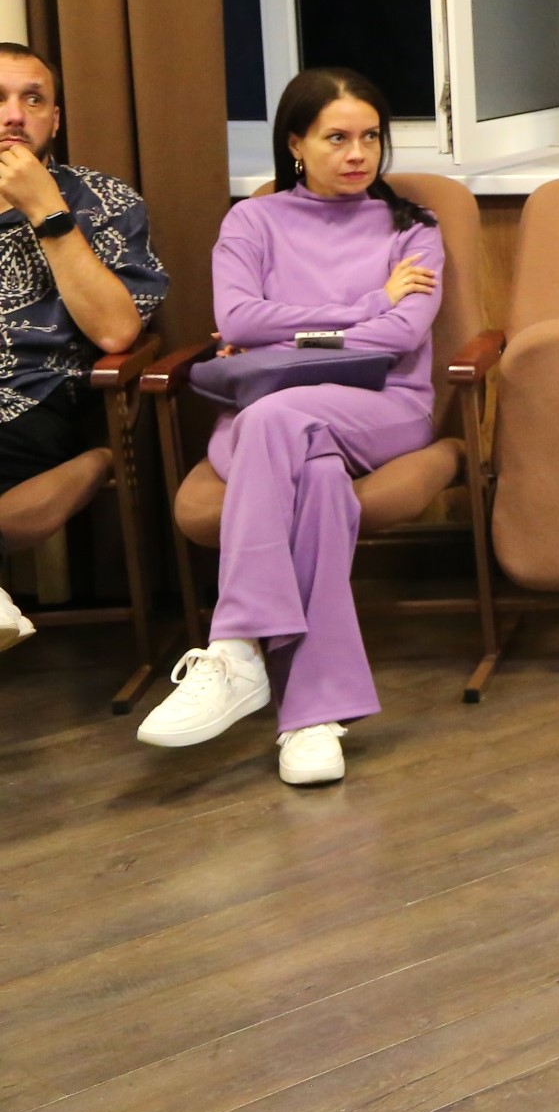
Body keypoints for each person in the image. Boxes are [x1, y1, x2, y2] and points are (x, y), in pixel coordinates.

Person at [133, 68, 443, 785]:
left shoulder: (413, 228)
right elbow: (238, 320)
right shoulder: (253, 221)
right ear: (296, 144)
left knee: (279, 417)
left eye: (370, 137)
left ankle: (237, 644)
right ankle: (311, 718)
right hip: (267, 420)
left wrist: (292, 333)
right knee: (317, 475)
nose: (358, 154)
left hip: (384, 405)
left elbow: (399, 337)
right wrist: (367, 303)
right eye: (336, 138)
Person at [0, 43, 166, 653]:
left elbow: (118, 333)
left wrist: (47, 211)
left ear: (55, 118)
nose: (14, 115)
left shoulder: (104, 201)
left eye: (33, 99)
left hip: (30, 401)